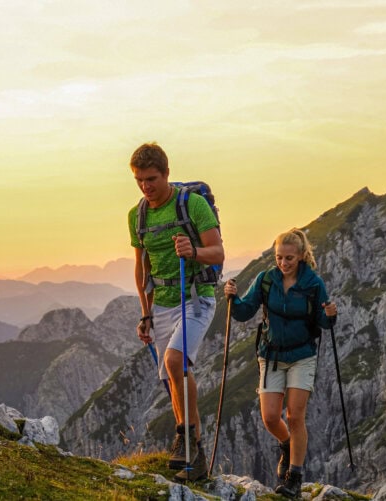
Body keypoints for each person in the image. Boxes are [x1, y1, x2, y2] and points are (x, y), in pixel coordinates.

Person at [128, 142, 224, 482]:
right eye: (139, 180)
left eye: (151, 179)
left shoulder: (193, 205)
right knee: (173, 378)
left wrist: (193, 250)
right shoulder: (137, 216)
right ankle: (194, 454)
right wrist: (146, 313)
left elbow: (218, 253)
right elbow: (142, 270)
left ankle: (185, 437)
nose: (146, 186)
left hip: (197, 296)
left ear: (167, 174)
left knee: (174, 362)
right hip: (163, 304)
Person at [223, 228, 336, 498]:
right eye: (279, 257)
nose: (283, 263)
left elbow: (323, 323)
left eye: (289, 258)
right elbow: (244, 311)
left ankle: (294, 477)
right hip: (271, 355)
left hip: (302, 356)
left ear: (301, 257)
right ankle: (286, 444)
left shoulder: (313, 284)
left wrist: (330, 315)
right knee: (271, 417)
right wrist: (232, 298)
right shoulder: (266, 280)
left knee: (295, 416)